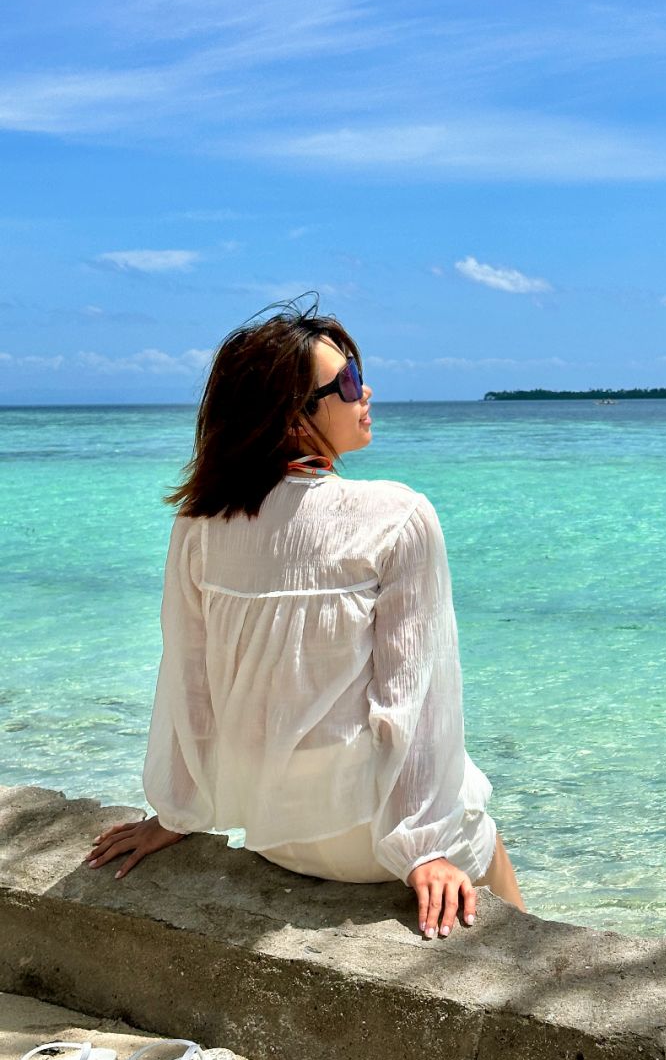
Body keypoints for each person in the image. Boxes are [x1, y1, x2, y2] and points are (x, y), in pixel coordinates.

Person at [83, 299, 525, 939]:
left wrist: (179, 811)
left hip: (269, 828)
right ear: (292, 417)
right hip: (375, 844)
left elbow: (188, 681)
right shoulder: (396, 515)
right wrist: (426, 845)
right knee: (484, 836)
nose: (365, 390)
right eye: (346, 383)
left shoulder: (199, 524)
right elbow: (414, 700)